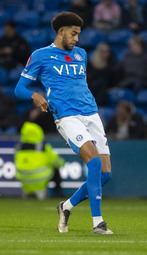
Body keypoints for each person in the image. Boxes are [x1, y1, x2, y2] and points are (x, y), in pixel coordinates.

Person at [14, 12, 113, 234]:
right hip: (67, 116)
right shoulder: (41, 56)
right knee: (94, 163)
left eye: (78, 34)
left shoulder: (81, 55)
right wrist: (35, 96)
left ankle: (65, 206)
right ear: (61, 31)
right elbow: (19, 87)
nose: (77, 39)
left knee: (105, 174)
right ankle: (98, 223)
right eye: (74, 33)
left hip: (91, 114)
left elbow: (78, 84)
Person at [14, 122, 65, 200]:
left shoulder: (18, 147)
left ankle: (28, 192)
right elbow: (57, 162)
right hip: (40, 178)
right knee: (55, 168)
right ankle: (58, 193)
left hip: (23, 178)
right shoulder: (43, 147)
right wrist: (62, 163)